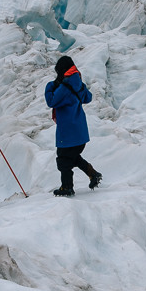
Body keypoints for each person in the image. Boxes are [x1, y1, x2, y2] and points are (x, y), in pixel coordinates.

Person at [45, 56, 103, 196]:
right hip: (80, 132)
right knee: (72, 156)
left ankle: (67, 188)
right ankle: (93, 174)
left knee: (63, 160)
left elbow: (51, 101)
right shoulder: (76, 83)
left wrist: (50, 86)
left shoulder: (64, 87)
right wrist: (81, 86)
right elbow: (87, 98)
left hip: (68, 132)